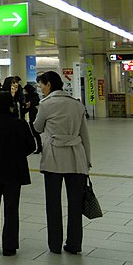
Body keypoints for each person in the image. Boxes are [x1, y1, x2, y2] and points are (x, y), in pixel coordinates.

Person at [33, 70, 91, 255]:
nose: (41, 89)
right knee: (75, 204)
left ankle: (55, 244)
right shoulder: (77, 105)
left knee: (53, 203)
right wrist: (87, 160)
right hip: (76, 158)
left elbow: (38, 127)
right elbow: (85, 135)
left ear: (49, 84)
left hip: (53, 159)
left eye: (42, 85)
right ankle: (74, 244)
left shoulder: (45, 105)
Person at [0, 91, 36, 256]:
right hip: (14, 171)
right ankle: (10, 246)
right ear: (11, 106)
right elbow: (30, 146)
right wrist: (17, 154)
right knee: (11, 209)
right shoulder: (19, 124)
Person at [22, 83, 42, 153]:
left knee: (35, 133)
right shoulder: (33, 96)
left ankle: (39, 147)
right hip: (33, 114)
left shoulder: (32, 96)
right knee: (35, 133)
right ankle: (39, 147)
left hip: (33, 115)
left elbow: (29, 106)